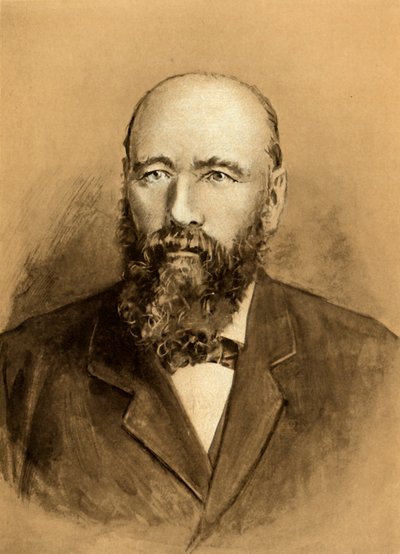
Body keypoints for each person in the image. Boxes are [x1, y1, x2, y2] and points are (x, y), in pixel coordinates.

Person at [0, 73, 398, 552]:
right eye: (155, 174)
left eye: (217, 176)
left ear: (272, 199)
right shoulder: (21, 373)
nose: (180, 210)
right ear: (126, 184)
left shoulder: (378, 370)